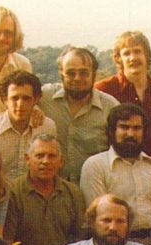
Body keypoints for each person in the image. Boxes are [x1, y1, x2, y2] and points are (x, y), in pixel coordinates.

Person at [80, 103, 151, 245]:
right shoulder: (95, 166)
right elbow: (97, 220)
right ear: (112, 131)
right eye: (124, 127)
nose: (131, 133)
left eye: (137, 128)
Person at [3, 134, 86, 245]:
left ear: (61, 161)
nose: (46, 161)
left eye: (52, 156)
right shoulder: (12, 192)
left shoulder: (73, 192)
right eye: (39, 156)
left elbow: (79, 242)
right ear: (27, 159)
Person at [38, 46, 119, 182]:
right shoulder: (43, 98)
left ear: (94, 73)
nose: (77, 78)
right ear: (61, 73)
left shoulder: (110, 107)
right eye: (70, 73)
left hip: (93, 187)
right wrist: (32, 107)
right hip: (51, 189)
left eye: (84, 73)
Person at [95, 31, 151, 157]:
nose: (133, 58)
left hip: (148, 165)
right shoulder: (104, 88)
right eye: (126, 53)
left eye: (137, 51)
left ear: (147, 55)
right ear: (119, 58)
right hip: (112, 164)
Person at [0, 71, 56, 181]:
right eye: (15, 98)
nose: (20, 104)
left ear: (36, 100)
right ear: (4, 100)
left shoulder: (47, 127)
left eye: (26, 98)